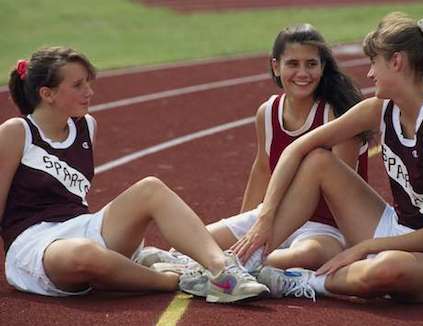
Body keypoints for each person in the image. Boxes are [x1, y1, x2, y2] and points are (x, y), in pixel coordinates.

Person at [233, 12, 423, 304]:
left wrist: (363, 248)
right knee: (318, 162)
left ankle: (301, 281)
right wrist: (264, 219)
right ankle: (245, 262)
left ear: (396, 62)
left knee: (387, 269)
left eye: (374, 63)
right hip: (395, 227)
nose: (371, 74)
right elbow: (297, 149)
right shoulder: (378, 109)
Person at [0, 46, 268, 303]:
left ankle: (223, 271)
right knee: (84, 254)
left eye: (88, 83)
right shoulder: (16, 132)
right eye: (78, 85)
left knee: (151, 188)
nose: (89, 92)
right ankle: (173, 279)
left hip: (80, 226)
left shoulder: (85, 126)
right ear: (47, 94)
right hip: (34, 244)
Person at [143, 23, 368, 300]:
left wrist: (351, 247)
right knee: (193, 243)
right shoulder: (269, 112)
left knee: (307, 254)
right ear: (276, 66)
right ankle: (218, 265)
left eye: (311, 64)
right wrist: (247, 223)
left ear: (323, 67)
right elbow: (262, 170)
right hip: (271, 215)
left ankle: (231, 268)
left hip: (324, 227)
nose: (302, 73)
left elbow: (342, 191)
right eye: (292, 64)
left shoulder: (337, 114)